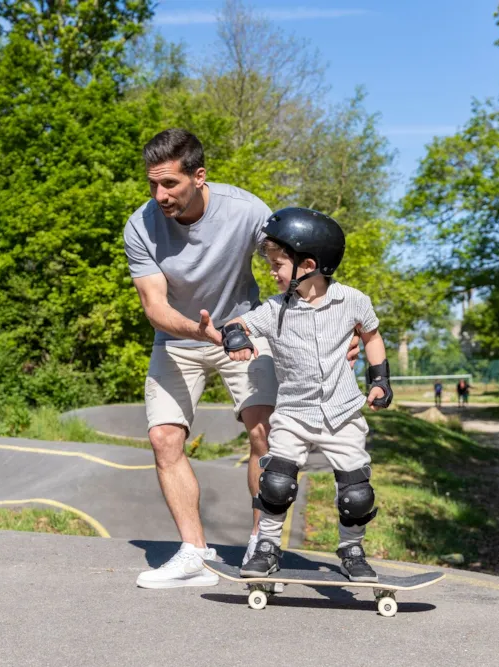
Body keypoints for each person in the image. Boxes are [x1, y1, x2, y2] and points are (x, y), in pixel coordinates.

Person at [123, 129, 358, 589]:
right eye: (152, 184)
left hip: (242, 332)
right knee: (164, 438)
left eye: (169, 183)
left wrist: (336, 326)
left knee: (264, 432)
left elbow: (296, 266)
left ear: (199, 175)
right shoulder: (140, 226)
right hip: (179, 337)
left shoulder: (246, 210)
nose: (159, 195)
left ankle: (260, 547)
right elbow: (154, 306)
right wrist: (196, 330)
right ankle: (193, 553)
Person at [204, 207, 392, 582]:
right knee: (276, 483)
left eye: (277, 265)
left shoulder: (353, 300)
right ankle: (268, 547)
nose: (271, 272)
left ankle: (352, 550)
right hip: (293, 413)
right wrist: (235, 337)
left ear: (308, 264)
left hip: (342, 413)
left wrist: (380, 380)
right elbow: (238, 324)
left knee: (357, 494)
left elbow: (371, 336)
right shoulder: (275, 309)